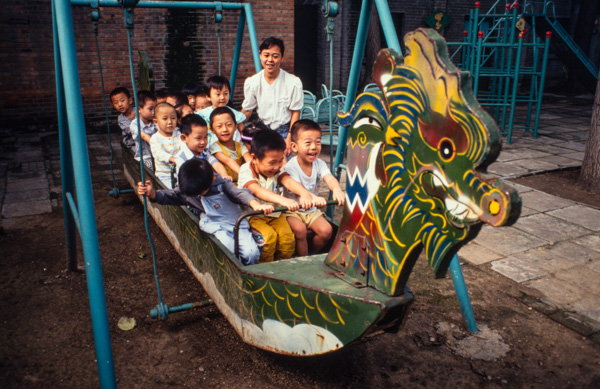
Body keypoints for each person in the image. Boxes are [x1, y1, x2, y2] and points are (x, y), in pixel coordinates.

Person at [137, 159, 272, 265]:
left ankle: (249, 271)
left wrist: (255, 204)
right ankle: (234, 273)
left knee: (251, 252)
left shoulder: (222, 185)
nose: (196, 196)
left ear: (212, 179)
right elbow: (170, 195)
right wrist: (153, 194)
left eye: (199, 192)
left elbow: (239, 194)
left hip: (235, 223)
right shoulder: (190, 190)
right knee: (229, 248)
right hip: (215, 225)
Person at [237, 129, 316, 262]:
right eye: (272, 162)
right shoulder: (246, 170)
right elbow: (257, 190)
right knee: (268, 238)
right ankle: (265, 268)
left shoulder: (278, 170)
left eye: (280, 161)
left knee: (287, 239)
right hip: (253, 216)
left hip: (275, 213)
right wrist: (284, 200)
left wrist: (304, 193)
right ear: (255, 158)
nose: (277, 166)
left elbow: (288, 181)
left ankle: (282, 267)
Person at [283, 119, 345, 256]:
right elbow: (298, 189)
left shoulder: (319, 163)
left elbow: (328, 177)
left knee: (327, 231)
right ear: (294, 146)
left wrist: (337, 189)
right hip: (293, 210)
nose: (314, 147)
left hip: (311, 210)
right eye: (308, 143)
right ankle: (302, 260)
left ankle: (313, 255)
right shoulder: (290, 167)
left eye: (318, 142)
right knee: (300, 231)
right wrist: (315, 197)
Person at [241, 37, 303, 156]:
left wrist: (290, 138)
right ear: (260, 55)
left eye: (275, 56)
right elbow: (247, 110)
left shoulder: (293, 82)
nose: (270, 60)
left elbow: (295, 112)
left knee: (282, 167)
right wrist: (234, 123)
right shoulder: (253, 82)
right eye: (266, 55)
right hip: (261, 131)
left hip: (284, 131)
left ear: (282, 57)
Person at [174, 114, 231, 180]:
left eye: (205, 137)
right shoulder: (181, 158)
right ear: (184, 138)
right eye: (198, 138)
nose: (203, 142)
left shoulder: (205, 152)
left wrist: (225, 175)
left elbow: (216, 164)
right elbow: (186, 180)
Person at [196, 75, 246, 145]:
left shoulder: (235, 114)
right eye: (218, 94)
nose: (222, 97)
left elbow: (242, 131)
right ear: (208, 96)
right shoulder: (203, 115)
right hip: (210, 147)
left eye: (225, 93)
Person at [208, 107, 252, 182]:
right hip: (226, 185)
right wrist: (244, 175)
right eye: (219, 126)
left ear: (235, 127)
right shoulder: (214, 147)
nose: (225, 129)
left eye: (229, 125)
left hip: (242, 182)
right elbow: (228, 161)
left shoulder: (240, 145)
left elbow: (249, 159)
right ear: (212, 130)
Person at [149, 102, 181, 188]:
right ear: (156, 122)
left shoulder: (178, 134)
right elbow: (158, 153)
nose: (170, 122)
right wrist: (171, 158)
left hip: (180, 172)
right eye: (165, 118)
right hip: (165, 175)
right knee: (170, 191)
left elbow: (184, 146)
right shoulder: (155, 138)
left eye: (173, 118)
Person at [130, 90, 157, 167]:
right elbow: (144, 136)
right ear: (139, 109)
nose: (154, 112)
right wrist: (154, 142)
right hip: (144, 158)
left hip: (157, 155)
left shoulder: (155, 122)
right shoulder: (134, 124)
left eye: (155, 108)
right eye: (150, 109)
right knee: (151, 166)